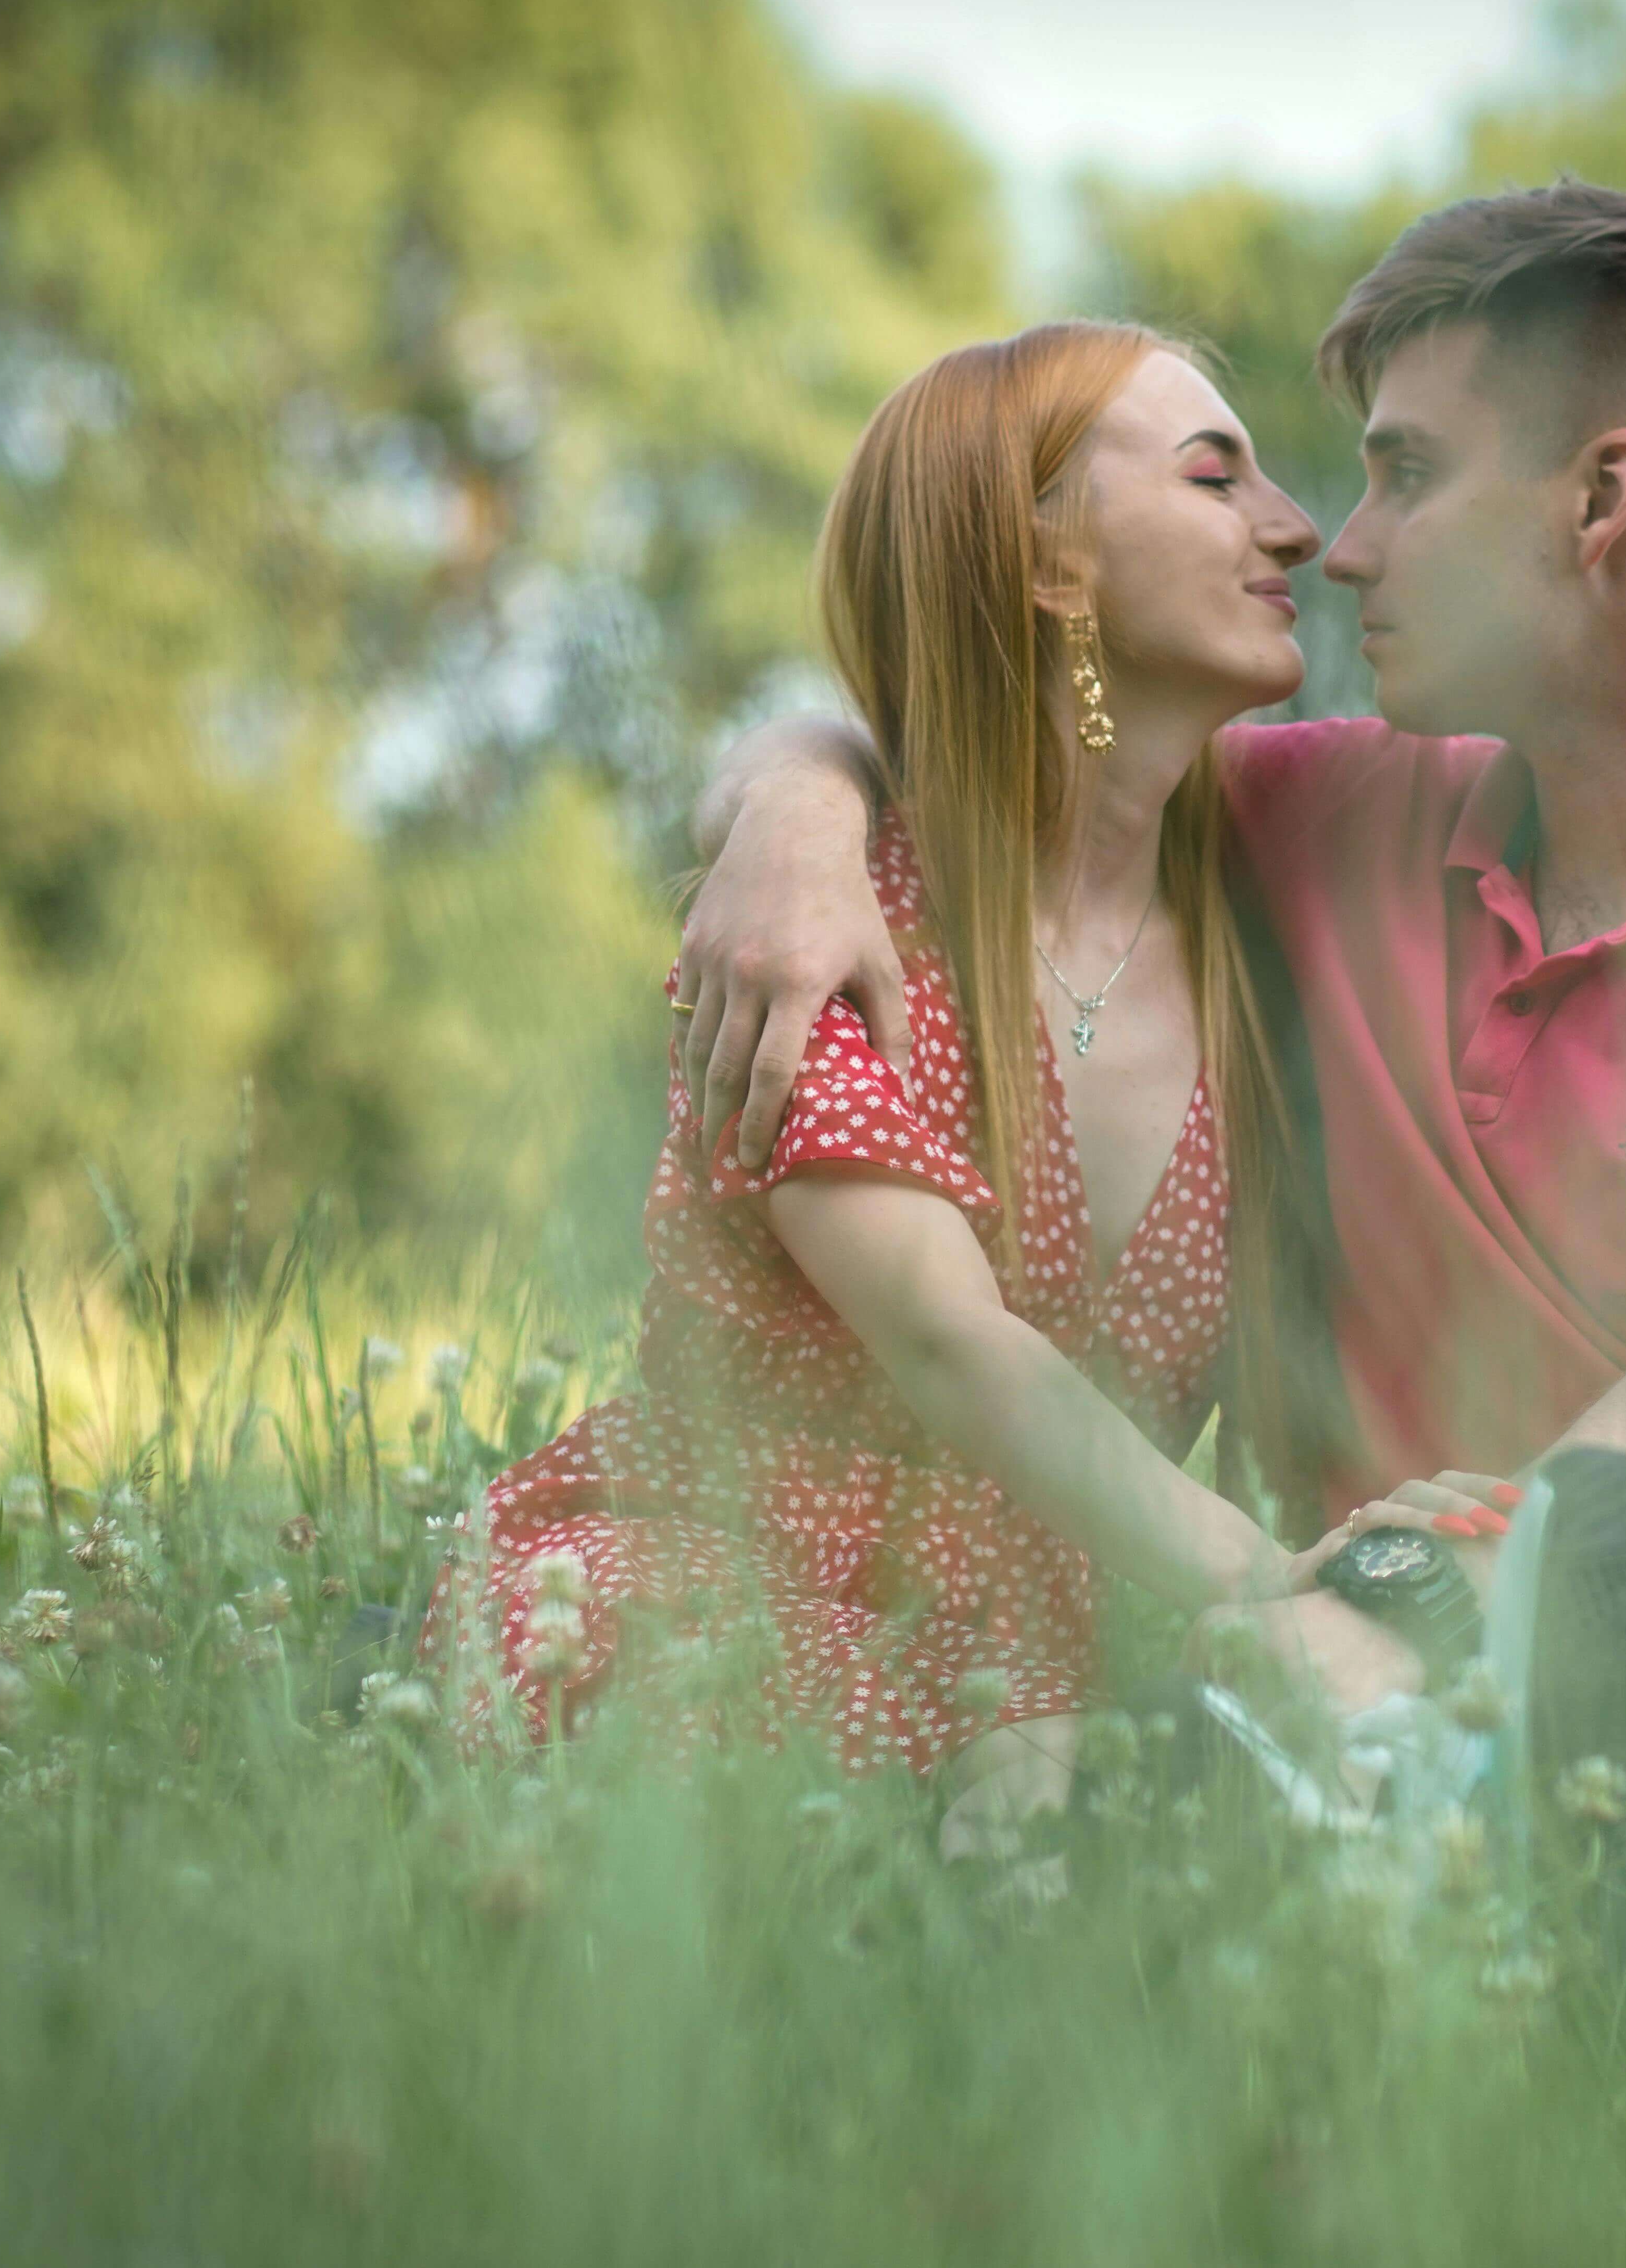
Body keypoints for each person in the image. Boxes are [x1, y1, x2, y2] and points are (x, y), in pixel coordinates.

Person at [676, 185, 1626, 1996]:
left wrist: (1436, 1597)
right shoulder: (1319, 826)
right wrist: (790, 810)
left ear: (1603, 501)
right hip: (1375, 1666)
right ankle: (1459, 1902)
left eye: (1408, 475)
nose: (1338, 548)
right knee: (1115, 1819)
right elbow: (980, 713)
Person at [424, 321, 1377, 1861]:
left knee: (1099, 1769)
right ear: (1051, 562)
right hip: (719, 1589)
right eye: (1218, 478)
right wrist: (1290, 1600)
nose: (1296, 526)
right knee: (1011, 1765)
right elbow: (950, 1341)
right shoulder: (834, 931)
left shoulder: (1270, 937)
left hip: (1060, 1647)